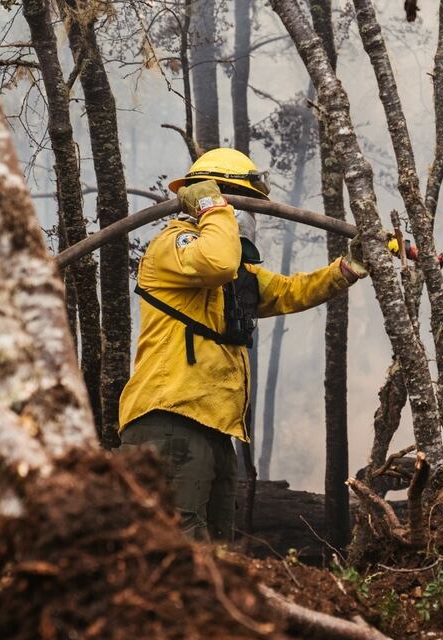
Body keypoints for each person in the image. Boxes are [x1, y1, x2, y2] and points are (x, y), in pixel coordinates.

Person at [118, 148, 367, 541]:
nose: (246, 216)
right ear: (210, 200)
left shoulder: (236, 276)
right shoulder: (174, 246)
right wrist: (213, 207)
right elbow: (215, 263)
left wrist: (348, 268)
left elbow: (290, 291)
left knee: (217, 550)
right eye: (240, 204)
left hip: (213, 426)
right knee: (174, 544)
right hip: (169, 419)